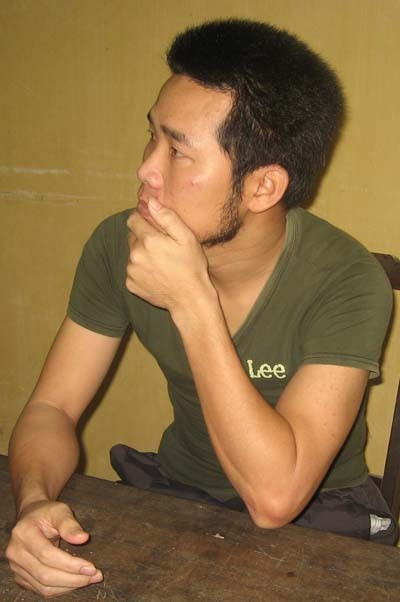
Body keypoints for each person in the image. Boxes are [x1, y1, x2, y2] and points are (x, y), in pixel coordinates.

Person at [6, 18, 397, 598]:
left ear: (263, 188)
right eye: (152, 136)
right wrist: (35, 502)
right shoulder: (119, 244)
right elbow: (52, 407)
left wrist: (192, 302)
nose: (146, 168)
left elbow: (275, 498)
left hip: (319, 512)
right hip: (180, 492)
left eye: (178, 151)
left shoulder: (347, 280)